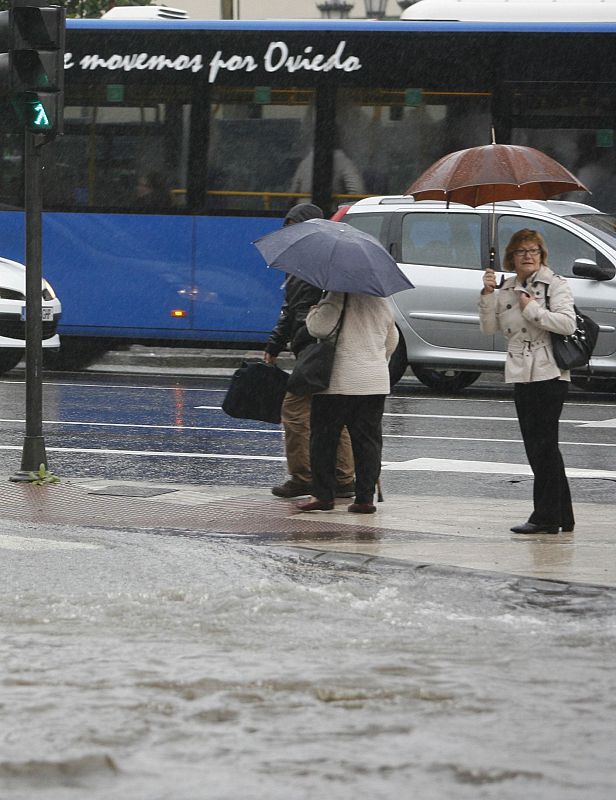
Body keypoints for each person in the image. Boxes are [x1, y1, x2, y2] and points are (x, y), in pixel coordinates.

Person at [479, 229, 577, 534]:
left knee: (543, 446)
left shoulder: (554, 284)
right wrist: (487, 295)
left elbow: (567, 324)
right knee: (540, 446)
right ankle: (563, 515)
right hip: (521, 373)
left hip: (549, 373)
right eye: (521, 251)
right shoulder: (507, 287)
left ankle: (545, 517)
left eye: (533, 250)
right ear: (511, 257)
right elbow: (489, 329)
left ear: (541, 255)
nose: (528, 256)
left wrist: (532, 309)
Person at [263, 203, 355, 499]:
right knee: (331, 411)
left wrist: (281, 342)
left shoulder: (311, 265)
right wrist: (276, 343)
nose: (288, 233)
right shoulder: (316, 262)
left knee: (294, 410)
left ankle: (302, 476)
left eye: (293, 227)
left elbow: (298, 311)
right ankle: (343, 477)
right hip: (320, 346)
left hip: (315, 347)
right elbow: (291, 309)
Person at [297, 290, 398, 514]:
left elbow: (319, 328)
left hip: (339, 381)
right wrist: (374, 359)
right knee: (368, 442)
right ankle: (365, 499)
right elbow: (392, 341)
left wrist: (313, 312)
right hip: (374, 382)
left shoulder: (337, 295)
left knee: (324, 440)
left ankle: (323, 495)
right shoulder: (382, 302)